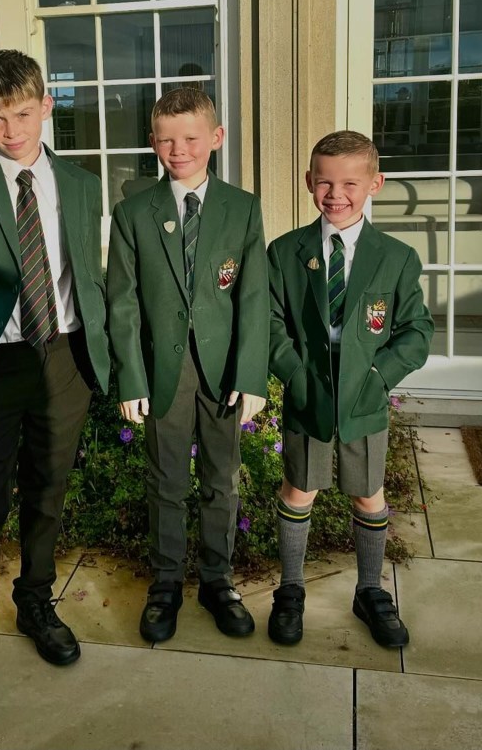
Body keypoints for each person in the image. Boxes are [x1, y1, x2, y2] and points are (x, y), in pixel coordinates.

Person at [0, 49, 110, 703]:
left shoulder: (84, 185)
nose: (12, 130)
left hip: (64, 355)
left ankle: (35, 601)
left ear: (47, 106)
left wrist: (103, 361)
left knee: (48, 488)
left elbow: (91, 274)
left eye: (23, 114)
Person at [107, 87, 269, 643]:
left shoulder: (242, 208)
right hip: (163, 374)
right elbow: (122, 301)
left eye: (192, 138)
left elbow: (252, 297)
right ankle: (167, 582)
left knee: (221, 481)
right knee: (166, 479)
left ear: (216, 139)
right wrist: (131, 375)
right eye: (167, 139)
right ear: (153, 142)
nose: (179, 150)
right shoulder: (133, 211)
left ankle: (219, 580)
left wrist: (251, 375)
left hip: (223, 372)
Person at [265, 130, 433, 648]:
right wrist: (294, 374)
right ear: (308, 182)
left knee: (367, 493)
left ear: (375, 184)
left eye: (349, 183)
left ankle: (369, 591)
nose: (335, 194)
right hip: (309, 393)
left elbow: (416, 330)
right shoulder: (285, 252)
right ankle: (290, 591)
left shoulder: (395, 257)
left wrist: (380, 377)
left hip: (363, 397)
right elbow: (271, 323)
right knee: (300, 488)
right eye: (324, 182)